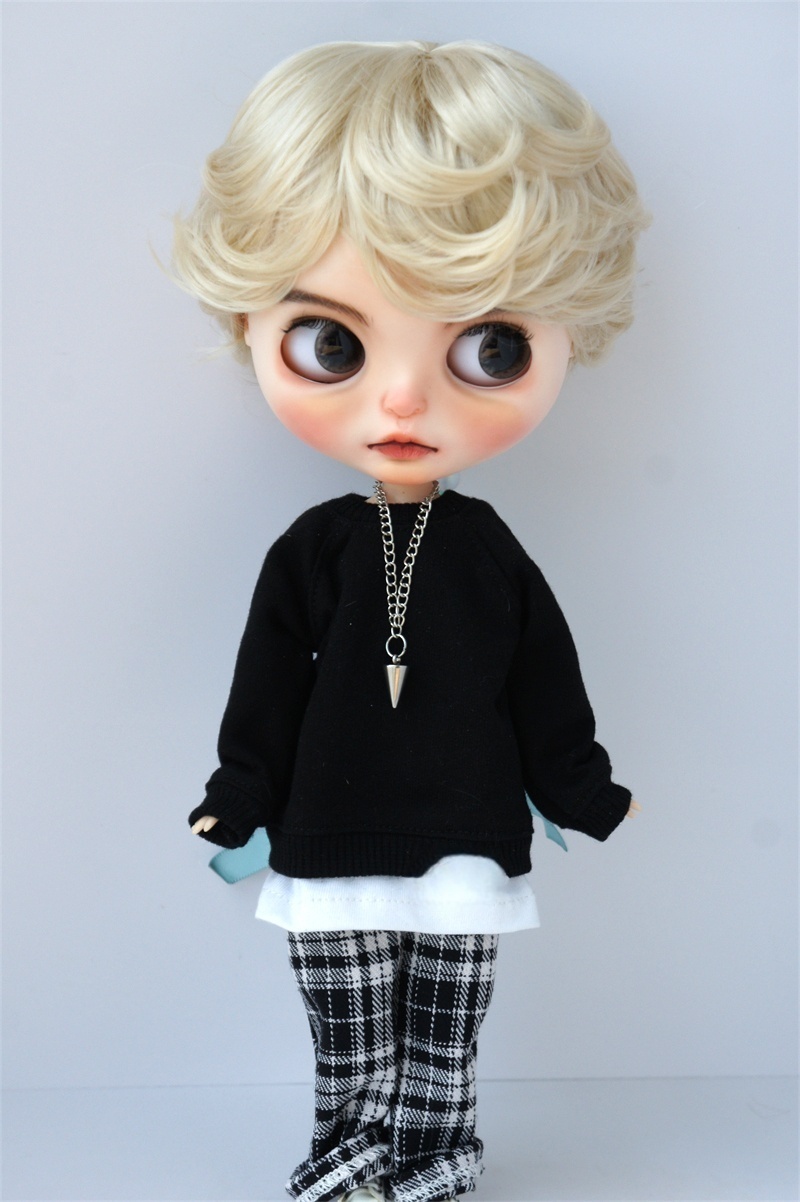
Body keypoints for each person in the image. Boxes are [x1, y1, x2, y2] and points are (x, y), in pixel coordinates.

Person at [173, 39, 648, 1202]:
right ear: (251, 328)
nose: (399, 398)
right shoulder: (311, 551)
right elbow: (264, 684)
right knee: (343, 1019)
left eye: (487, 347)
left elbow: (542, 678)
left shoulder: (486, 551)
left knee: (444, 1025)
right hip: (325, 830)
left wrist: (578, 785)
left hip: (462, 830)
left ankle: (436, 1152)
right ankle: (349, 1149)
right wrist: (239, 789)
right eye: (332, 343)